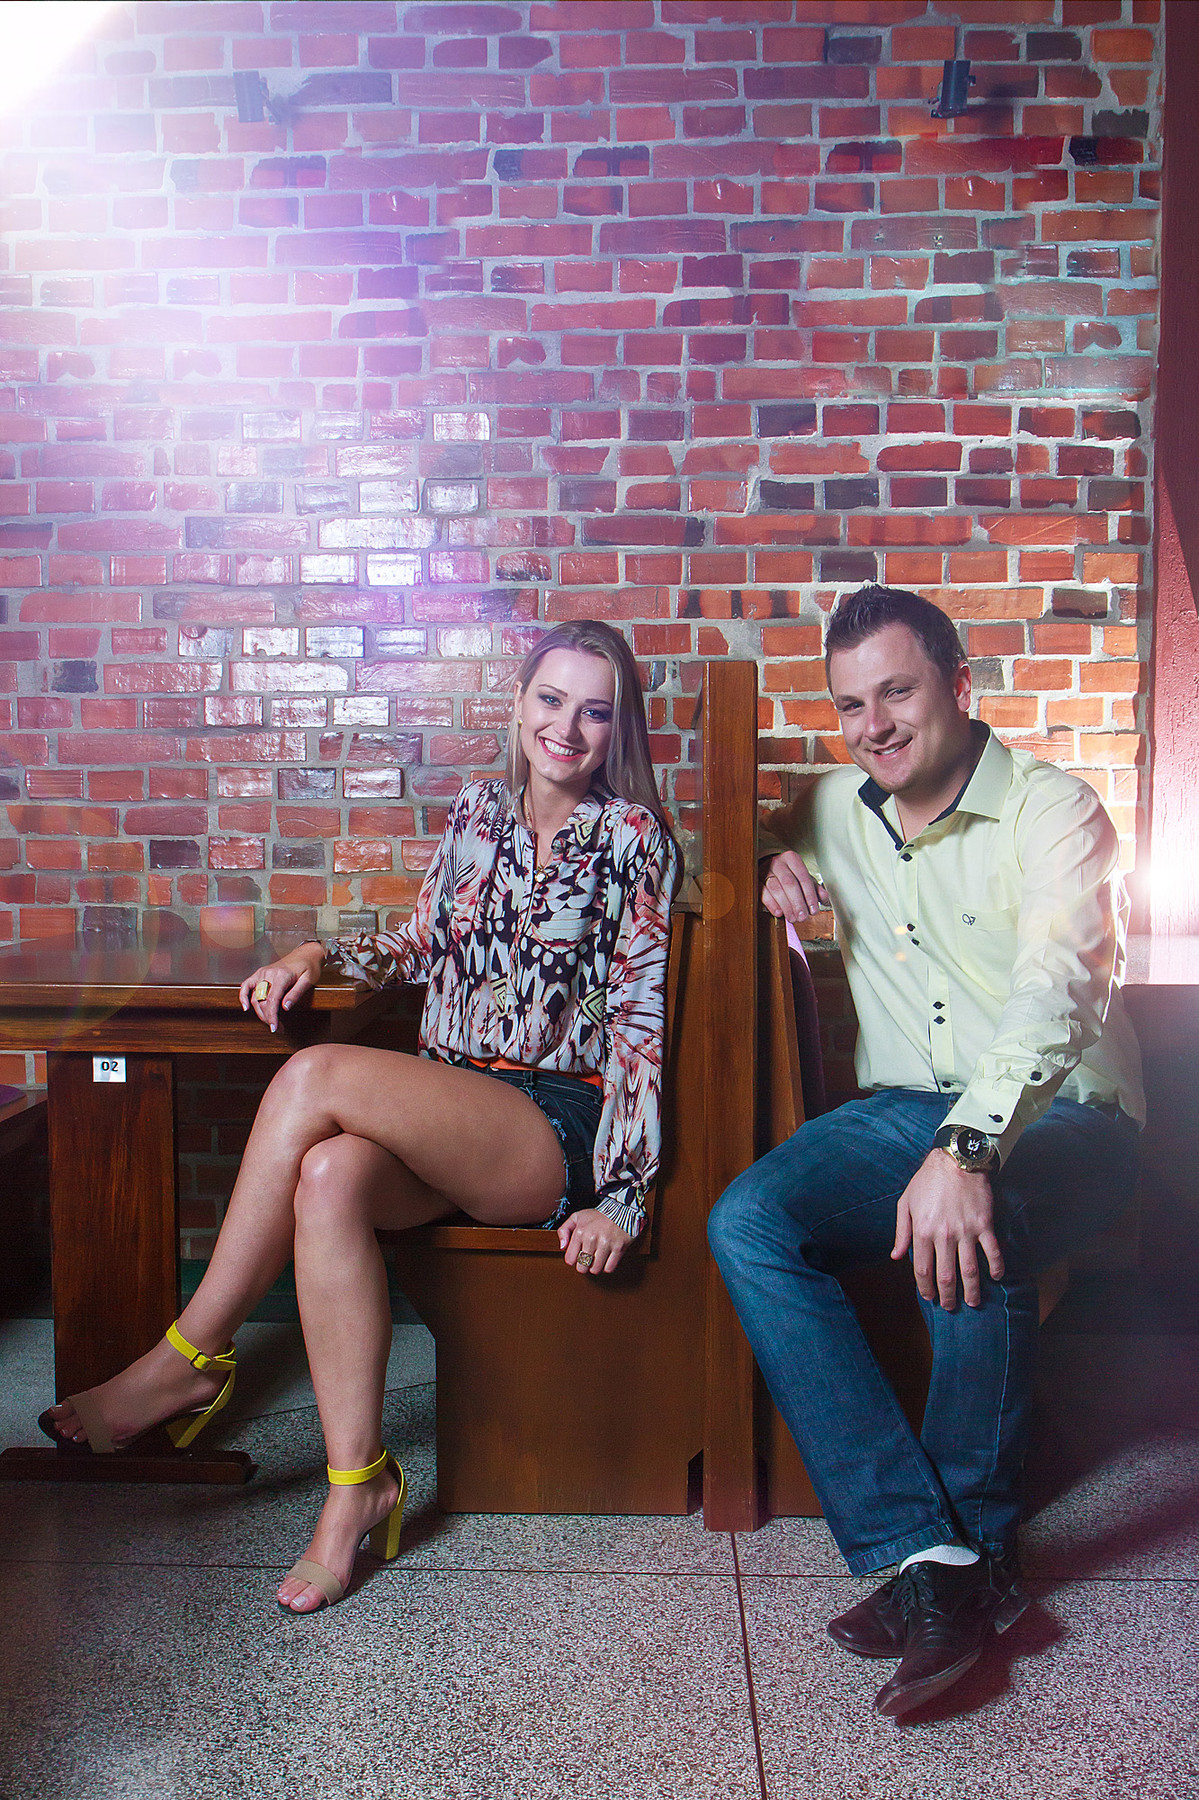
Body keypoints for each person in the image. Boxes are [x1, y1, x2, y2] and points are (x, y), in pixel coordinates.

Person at [40, 619, 679, 1614]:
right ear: (517, 704)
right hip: (455, 1099)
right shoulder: (477, 812)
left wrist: (627, 1197)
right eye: (550, 700)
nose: (567, 726)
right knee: (329, 1175)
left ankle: (186, 1362)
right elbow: (420, 939)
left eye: (593, 710)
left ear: (614, 729)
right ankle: (357, 1488)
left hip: (551, 1123)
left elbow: (639, 1016)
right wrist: (314, 957)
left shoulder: (632, 839)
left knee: (314, 1078)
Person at [707, 585, 1144, 1719]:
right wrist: (758, 869)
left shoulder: (1056, 812)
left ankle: (962, 1553)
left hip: (1068, 1110)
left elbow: (1056, 996)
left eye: (894, 691)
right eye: (849, 704)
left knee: (971, 1214)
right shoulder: (828, 808)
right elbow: (717, 843)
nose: (872, 725)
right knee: (748, 1220)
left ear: (957, 685)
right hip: (898, 1105)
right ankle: (936, 1558)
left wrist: (966, 1149)